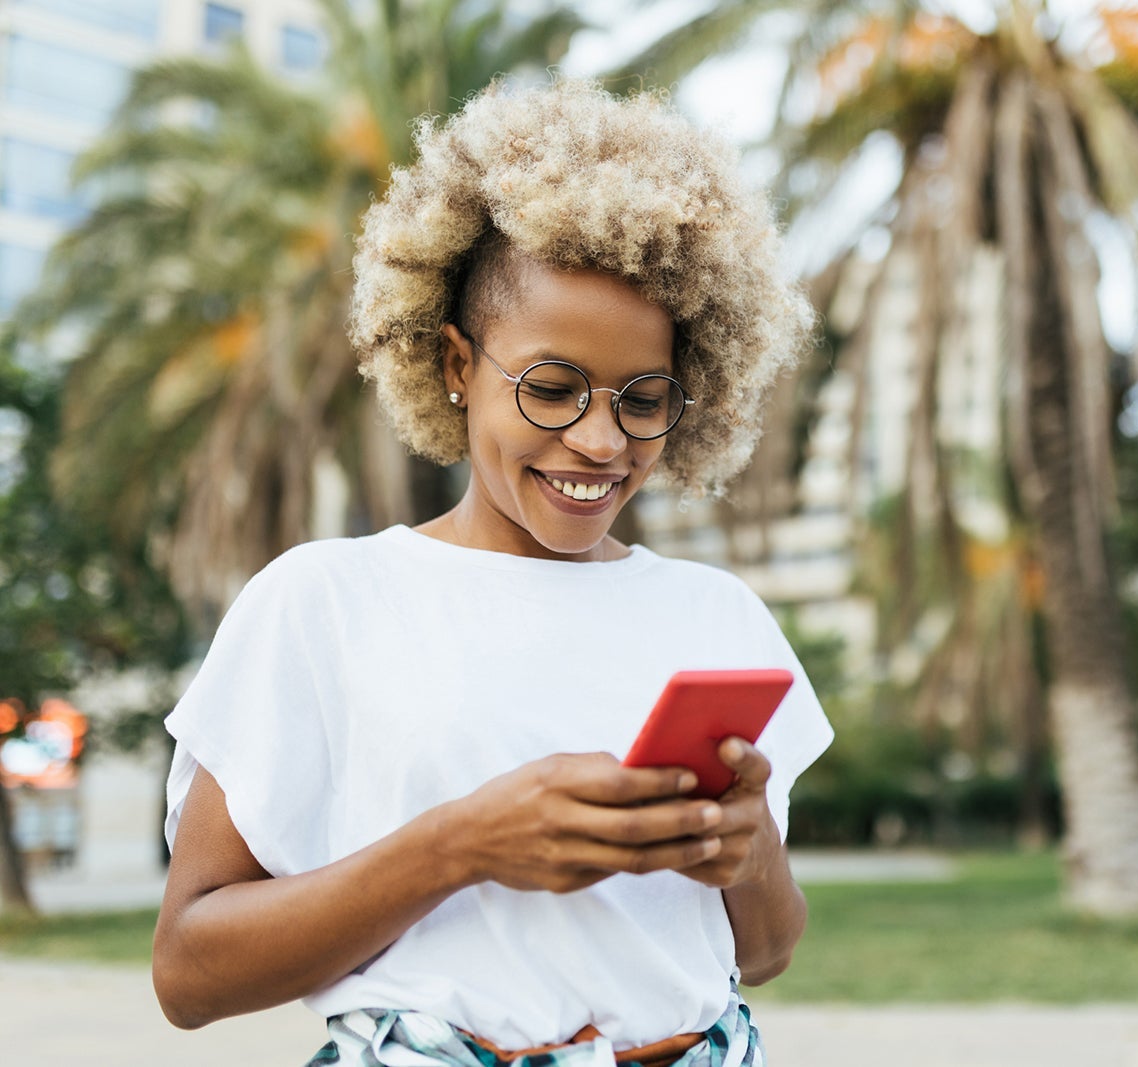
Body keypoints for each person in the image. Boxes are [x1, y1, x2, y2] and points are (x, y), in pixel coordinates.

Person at [152, 80, 833, 1067]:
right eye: (551, 389)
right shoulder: (326, 602)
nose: (600, 441)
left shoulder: (713, 613)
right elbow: (188, 971)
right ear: (458, 362)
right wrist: (460, 844)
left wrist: (741, 848)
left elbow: (764, 949)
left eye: (644, 399)